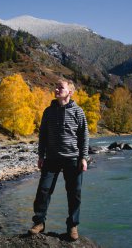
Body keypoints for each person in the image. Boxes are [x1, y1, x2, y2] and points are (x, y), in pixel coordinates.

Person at [28, 78, 89, 240]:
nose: (56, 90)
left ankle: (72, 226)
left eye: (60, 87)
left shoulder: (78, 112)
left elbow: (84, 136)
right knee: (43, 190)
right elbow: (43, 136)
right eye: (55, 87)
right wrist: (41, 156)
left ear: (70, 92)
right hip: (52, 158)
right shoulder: (48, 112)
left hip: (73, 159)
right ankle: (39, 222)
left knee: (74, 193)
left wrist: (84, 158)